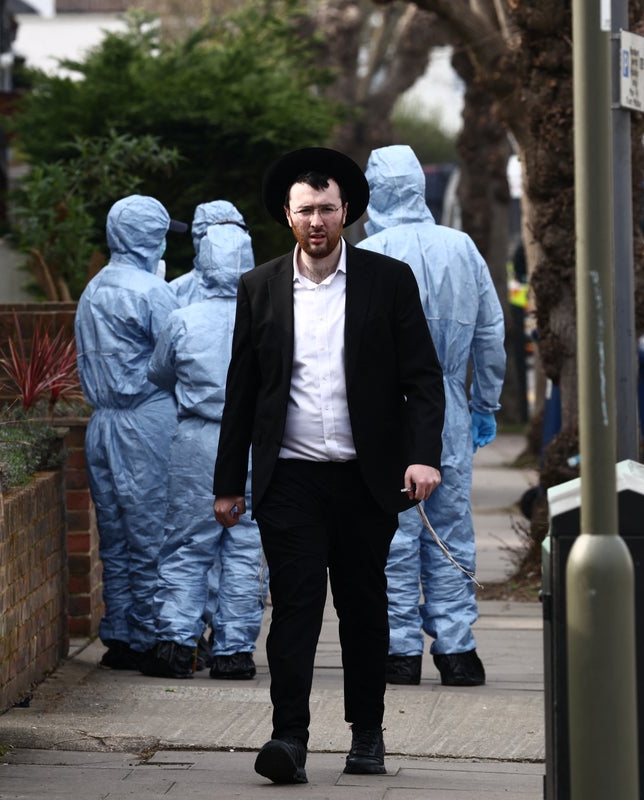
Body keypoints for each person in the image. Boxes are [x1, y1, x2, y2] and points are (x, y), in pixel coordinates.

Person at [212, 147, 445, 785]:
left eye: (328, 209)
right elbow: (243, 389)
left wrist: (424, 456)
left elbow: (423, 379)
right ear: (287, 216)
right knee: (294, 610)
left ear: (348, 212)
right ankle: (288, 738)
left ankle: (366, 735)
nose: (318, 220)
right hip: (290, 478)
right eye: (306, 210)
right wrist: (228, 482)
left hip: (366, 481)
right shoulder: (258, 288)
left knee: (365, 610)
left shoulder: (387, 281)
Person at [358, 144, 507, 687]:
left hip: (385, 412)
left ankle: (398, 652)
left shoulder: (368, 253)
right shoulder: (461, 248)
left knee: (391, 532)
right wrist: (484, 403)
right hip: (448, 409)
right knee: (450, 530)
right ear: (420, 187)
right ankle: (457, 649)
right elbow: (491, 335)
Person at [146, 218, 266, 680]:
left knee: (187, 543)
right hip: (255, 443)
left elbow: (159, 374)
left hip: (198, 440)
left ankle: (176, 643)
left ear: (202, 262)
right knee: (245, 545)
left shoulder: (183, 317)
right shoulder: (271, 316)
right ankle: (234, 650)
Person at [75, 194, 179, 672]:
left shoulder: (93, 290)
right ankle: (155, 634)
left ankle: (120, 631)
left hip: (102, 423)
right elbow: (181, 355)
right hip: (144, 420)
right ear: (150, 236)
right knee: (152, 531)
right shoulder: (151, 291)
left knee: (115, 535)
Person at [170, 200, 249, 307]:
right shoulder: (176, 291)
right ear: (200, 240)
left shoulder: (259, 286)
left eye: (232, 233)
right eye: (217, 235)